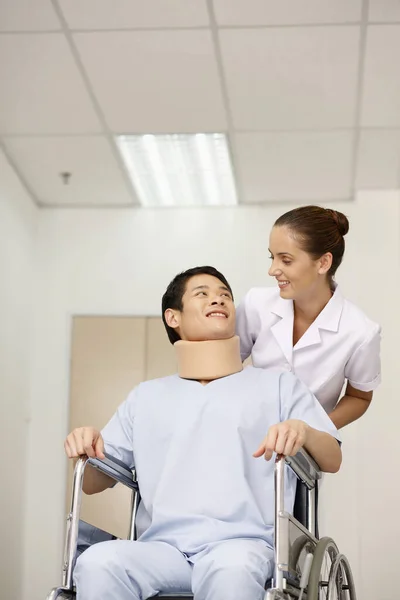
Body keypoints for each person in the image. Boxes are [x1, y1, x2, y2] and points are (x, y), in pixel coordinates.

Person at [65, 266, 341, 600]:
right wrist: (87, 447)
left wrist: (303, 431)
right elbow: (94, 484)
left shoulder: (278, 385)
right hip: (163, 550)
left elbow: (332, 457)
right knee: (98, 562)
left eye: (225, 294)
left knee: (231, 571)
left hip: (244, 545)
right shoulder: (146, 397)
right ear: (173, 317)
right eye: (203, 293)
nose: (219, 299)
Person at [236, 206, 381, 429]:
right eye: (272, 257)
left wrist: (314, 430)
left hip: (307, 449)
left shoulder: (360, 332)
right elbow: (226, 363)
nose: (272, 269)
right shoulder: (256, 304)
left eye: (285, 260)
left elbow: (360, 397)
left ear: (323, 263)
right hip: (247, 430)